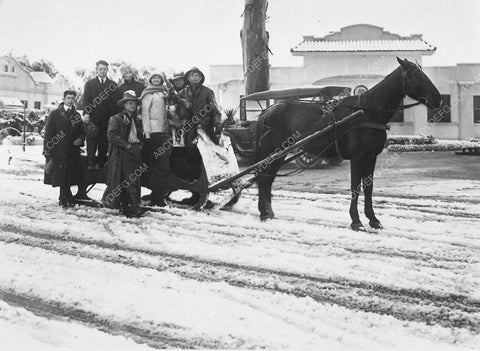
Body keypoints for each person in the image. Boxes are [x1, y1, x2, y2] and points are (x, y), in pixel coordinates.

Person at [102, 90, 145, 217]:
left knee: (134, 179)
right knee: (127, 178)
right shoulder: (116, 119)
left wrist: (139, 145)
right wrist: (127, 146)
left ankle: (131, 204)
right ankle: (133, 206)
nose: (132, 106)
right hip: (122, 153)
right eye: (129, 103)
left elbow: (140, 135)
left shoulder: (137, 119)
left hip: (135, 151)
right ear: (124, 105)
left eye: (134, 104)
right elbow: (111, 135)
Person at [43, 90, 85, 208]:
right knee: (61, 174)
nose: (71, 100)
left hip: (72, 151)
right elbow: (48, 134)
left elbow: (82, 132)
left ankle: (64, 198)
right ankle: (66, 198)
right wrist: (48, 152)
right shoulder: (55, 114)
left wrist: (80, 140)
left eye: (73, 98)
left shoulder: (76, 115)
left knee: (69, 174)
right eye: (68, 98)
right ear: (64, 99)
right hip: (59, 150)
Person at [140, 72, 170, 206]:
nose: (157, 80)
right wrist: (147, 133)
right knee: (155, 164)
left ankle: (159, 193)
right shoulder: (148, 94)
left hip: (165, 131)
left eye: (159, 78)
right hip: (153, 132)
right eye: (154, 78)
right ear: (151, 80)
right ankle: (157, 196)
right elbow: (144, 114)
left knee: (163, 164)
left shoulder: (165, 93)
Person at [82, 60, 118, 170]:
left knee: (104, 143)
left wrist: (112, 118)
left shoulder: (112, 85)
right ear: (96, 70)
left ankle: (102, 166)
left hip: (106, 119)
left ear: (107, 70)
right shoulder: (90, 84)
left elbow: (115, 103)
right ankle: (90, 163)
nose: (102, 71)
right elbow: (86, 100)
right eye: (100, 69)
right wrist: (86, 114)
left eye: (104, 69)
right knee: (91, 142)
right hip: (93, 119)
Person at [179, 67, 222, 145]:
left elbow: (214, 109)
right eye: (192, 76)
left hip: (205, 126)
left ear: (200, 78)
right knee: (190, 150)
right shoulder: (182, 93)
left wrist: (218, 124)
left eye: (197, 76)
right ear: (188, 78)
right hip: (189, 127)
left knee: (209, 149)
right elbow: (177, 111)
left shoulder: (208, 92)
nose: (194, 78)